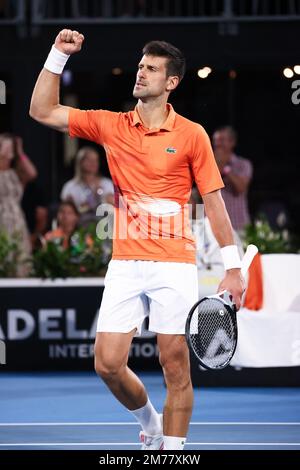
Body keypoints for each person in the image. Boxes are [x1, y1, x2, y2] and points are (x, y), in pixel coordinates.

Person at [30, 29, 245, 450]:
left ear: (171, 83)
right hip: (126, 262)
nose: (141, 72)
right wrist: (58, 55)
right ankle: (151, 423)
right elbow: (42, 110)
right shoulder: (112, 126)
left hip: (174, 263)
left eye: (151, 68)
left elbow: (215, 205)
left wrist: (233, 268)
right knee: (108, 364)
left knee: (175, 364)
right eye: (141, 65)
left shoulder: (192, 135)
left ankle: (173, 452)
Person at [0, 133, 37, 276]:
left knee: (19, 258)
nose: (7, 148)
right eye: (4, 144)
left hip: (15, 220)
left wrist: (20, 152)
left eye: (10, 145)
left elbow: (32, 173)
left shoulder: (16, 173)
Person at [61, 146, 114, 227]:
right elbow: (66, 212)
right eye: (89, 160)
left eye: (96, 160)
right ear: (80, 162)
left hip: (103, 228)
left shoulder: (106, 184)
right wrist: (79, 208)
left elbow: (115, 207)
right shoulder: (70, 187)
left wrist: (107, 200)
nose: (93, 163)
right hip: (79, 228)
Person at [212, 126, 253, 231]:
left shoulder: (243, 164)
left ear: (232, 142)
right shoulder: (206, 165)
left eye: (221, 140)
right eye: (215, 140)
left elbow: (241, 188)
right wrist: (215, 165)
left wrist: (224, 168)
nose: (217, 144)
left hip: (237, 226)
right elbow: (201, 192)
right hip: (212, 228)